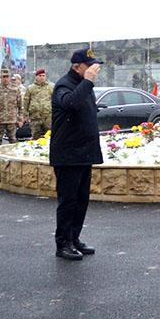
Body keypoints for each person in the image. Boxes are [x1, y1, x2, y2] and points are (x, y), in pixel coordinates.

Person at [50, 48, 103, 260]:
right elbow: (69, 103)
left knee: (81, 200)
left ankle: (74, 238)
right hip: (68, 155)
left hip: (83, 153)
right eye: (89, 66)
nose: (93, 70)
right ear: (77, 66)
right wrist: (88, 81)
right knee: (68, 201)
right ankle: (62, 244)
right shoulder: (64, 85)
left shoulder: (84, 86)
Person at [0, 68, 23, 146]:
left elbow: (20, 106)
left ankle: (13, 157)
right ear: (0, 77)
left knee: (13, 141)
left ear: (10, 77)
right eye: (3, 77)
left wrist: (20, 119)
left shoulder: (15, 89)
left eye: (7, 76)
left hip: (12, 120)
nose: (5, 79)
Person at [23, 68, 54, 139]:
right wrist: (25, 114)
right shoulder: (31, 88)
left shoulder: (51, 87)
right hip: (35, 117)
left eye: (43, 75)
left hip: (48, 117)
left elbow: (54, 100)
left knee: (49, 136)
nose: (42, 77)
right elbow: (26, 101)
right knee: (35, 136)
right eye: (40, 76)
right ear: (36, 77)